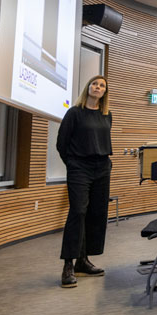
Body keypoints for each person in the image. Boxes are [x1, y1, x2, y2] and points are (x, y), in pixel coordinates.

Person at [56, 75, 113, 288]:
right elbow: (61, 144)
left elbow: (104, 141)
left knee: (96, 214)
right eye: (95, 84)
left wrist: (106, 165)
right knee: (78, 212)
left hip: (102, 168)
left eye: (102, 85)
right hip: (80, 168)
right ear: (88, 87)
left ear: (104, 92)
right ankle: (68, 264)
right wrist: (73, 165)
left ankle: (83, 260)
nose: (98, 87)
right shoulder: (74, 113)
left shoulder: (106, 115)